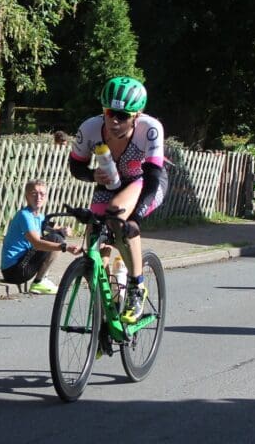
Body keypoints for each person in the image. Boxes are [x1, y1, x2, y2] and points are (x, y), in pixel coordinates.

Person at [69, 76, 167, 323]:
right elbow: (75, 166)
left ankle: (136, 287)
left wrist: (134, 218)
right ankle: (104, 309)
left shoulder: (150, 129)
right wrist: (92, 174)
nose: (114, 120)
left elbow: (153, 178)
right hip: (109, 183)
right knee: (94, 239)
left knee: (117, 217)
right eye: (109, 112)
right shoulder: (90, 128)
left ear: (137, 114)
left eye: (122, 116)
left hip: (142, 182)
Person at [0, 179, 81, 293]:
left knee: (58, 235)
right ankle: (39, 282)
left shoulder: (38, 216)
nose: (38, 197)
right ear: (27, 196)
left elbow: (52, 226)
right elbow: (37, 243)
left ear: (46, 197)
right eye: (34, 194)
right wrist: (65, 247)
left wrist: (64, 229)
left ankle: (43, 278)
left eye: (42, 194)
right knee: (57, 239)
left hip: (19, 266)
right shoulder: (25, 215)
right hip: (14, 271)